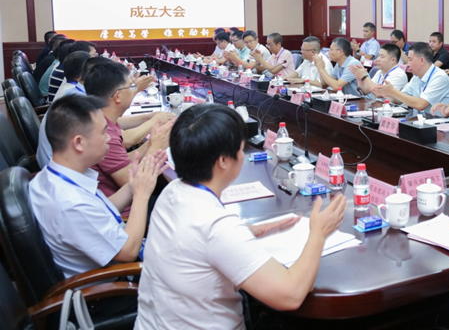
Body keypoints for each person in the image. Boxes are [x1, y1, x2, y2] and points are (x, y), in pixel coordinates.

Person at [135, 104, 347, 330]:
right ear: (223, 161)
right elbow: (291, 295)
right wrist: (318, 233)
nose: (243, 156)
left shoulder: (172, 190)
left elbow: (195, 243)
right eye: (240, 149)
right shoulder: (216, 226)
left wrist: (248, 233)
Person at [29, 95, 167, 279]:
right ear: (79, 142)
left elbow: (103, 208)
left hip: (112, 253)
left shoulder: (53, 175)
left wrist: (135, 182)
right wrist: (142, 195)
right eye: (103, 133)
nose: (109, 138)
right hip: (114, 285)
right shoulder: (72, 204)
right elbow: (128, 251)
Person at [83, 61, 174, 215]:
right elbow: (132, 182)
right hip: (123, 213)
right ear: (117, 96)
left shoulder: (102, 119)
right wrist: (154, 147)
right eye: (131, 86)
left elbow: (125, 160)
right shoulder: (102, 133)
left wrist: (153, 142)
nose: (134, 90)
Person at [373, 42, 449, 114]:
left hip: (439, 123)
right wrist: (388, 93)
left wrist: (393, 91)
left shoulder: (439, 77)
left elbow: (421, 104)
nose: (407, 64)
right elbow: (400, 99)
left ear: (421, 61)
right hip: (419, 121)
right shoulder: (416, 77)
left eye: (410, 60)